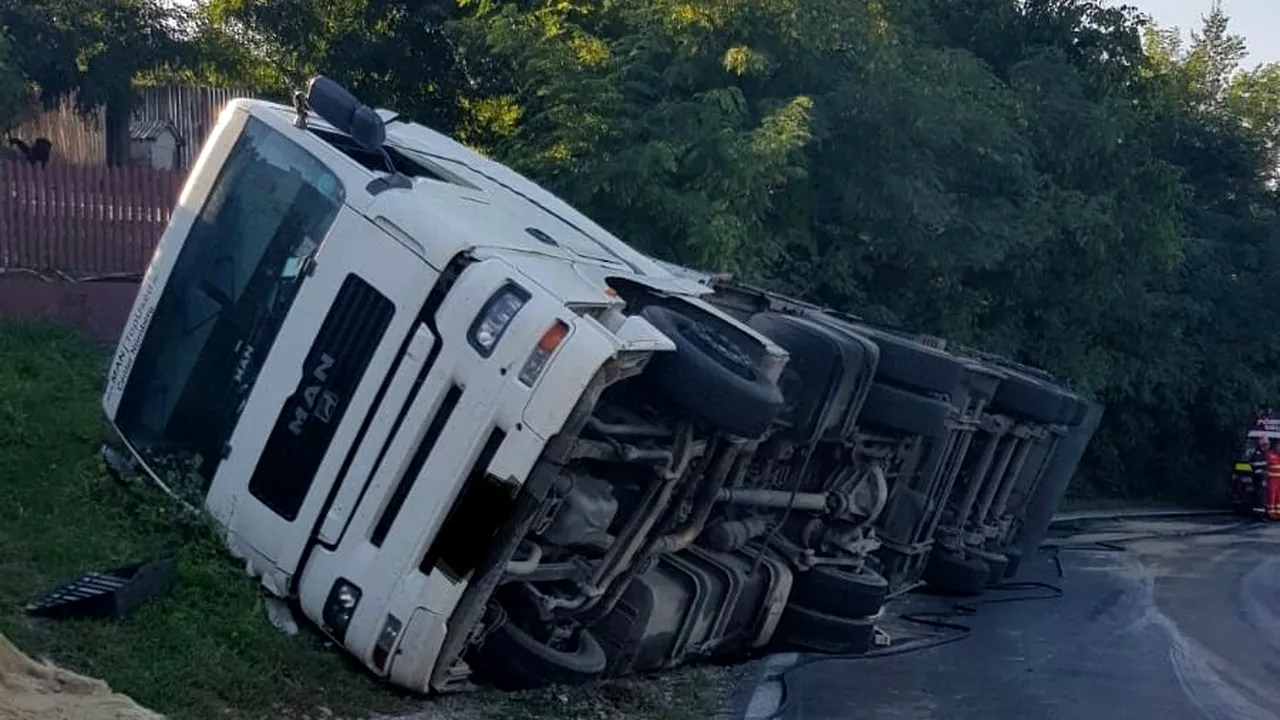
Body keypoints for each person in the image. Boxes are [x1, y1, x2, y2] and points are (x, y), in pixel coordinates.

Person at [1265, 441, 1280, 520]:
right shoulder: (1269, 454)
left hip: (1279, 480)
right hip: (1272, 480)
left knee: (1279, 497)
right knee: (1271, 496)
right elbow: (1265, 465)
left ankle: (1278, 513)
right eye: (1279, 446)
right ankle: (1270, 513)